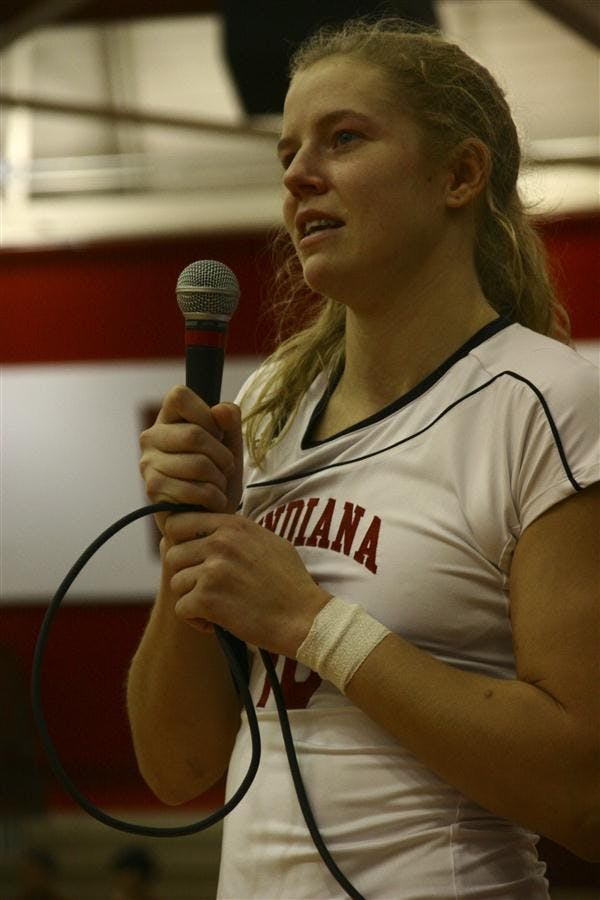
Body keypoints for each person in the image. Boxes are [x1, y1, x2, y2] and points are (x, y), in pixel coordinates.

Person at [127, 17, 599, 900]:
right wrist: (188, 539)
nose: (300, 175)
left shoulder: (547, 402)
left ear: (459, 175)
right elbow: (176, 763)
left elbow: (586, 794)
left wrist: (310, 622)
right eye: (288, 154)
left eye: (344, 139)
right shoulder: (267, 404)